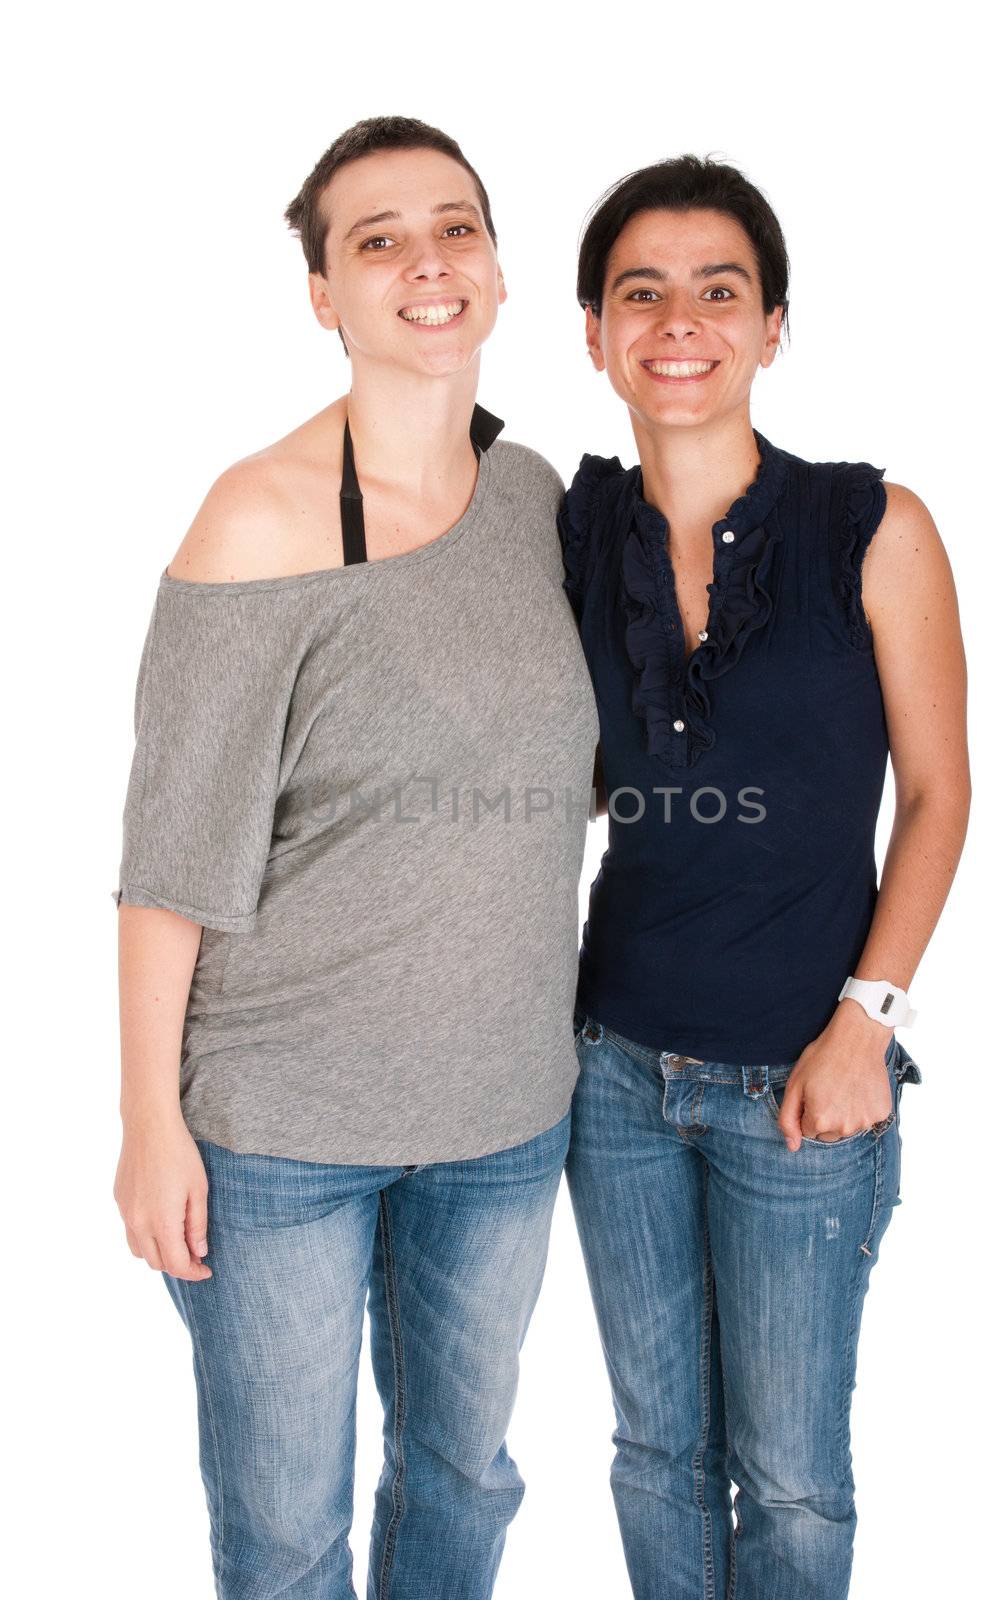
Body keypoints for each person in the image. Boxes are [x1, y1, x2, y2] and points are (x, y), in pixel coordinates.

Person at [111, 115, 598, 1600]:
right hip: (279, 1140)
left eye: (455, 226)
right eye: (376, 241)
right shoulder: (257, 519)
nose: (425, 263)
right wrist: (149, 1122)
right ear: (324, 294)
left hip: (506, 1117)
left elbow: (557, 780)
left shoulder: (541, 502)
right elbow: (166, 861)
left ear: (502, 271)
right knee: (283, 1533)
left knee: (466, 1481)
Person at [558, 155, 970, 1600]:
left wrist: (869, 1020)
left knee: (790, 1478)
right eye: (642, 292)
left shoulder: (874, 525)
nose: (682, 321)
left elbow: (937, 794)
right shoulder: (572, 529)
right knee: (655, 1453)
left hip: (807, 1079)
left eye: (719, 291)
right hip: (610, 1071)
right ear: (596, 332)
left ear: (774, 328)